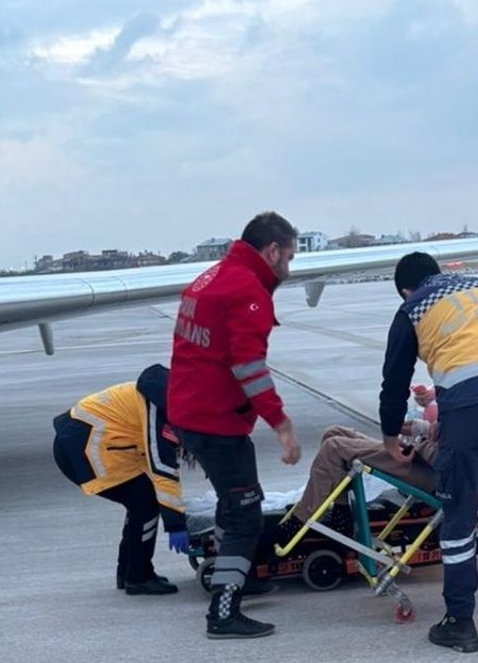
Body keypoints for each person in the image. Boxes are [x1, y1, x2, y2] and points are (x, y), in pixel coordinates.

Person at [379, 252, 478, 652]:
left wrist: (388, 438)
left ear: (405, 289)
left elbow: (394, 379)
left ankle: (460, 621)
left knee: (459, 516)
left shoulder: (412, 306)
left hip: (472, 408)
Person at [168, 211, 303, 640]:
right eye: (290, 258)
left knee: (233, 503)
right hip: (215, 422)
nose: (289, 267)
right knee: (245, 513)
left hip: (190, 412)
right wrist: (280, 423)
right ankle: (223, 612)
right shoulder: (248, 290)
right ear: (273, 251)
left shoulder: (212, 277)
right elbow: (249, 367)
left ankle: (238, 576)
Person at [52, 364, 187, 596]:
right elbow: (162, 466)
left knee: (141, 502)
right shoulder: (159, 407)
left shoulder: (161, 393)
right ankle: (139, 576)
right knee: (145, 503)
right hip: (86, 449)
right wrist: (176, 523)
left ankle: (128, 572)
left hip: (84, 443)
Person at [282, 393, 440, 535]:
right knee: (333, 432)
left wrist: (423, 433)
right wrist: (420, 428)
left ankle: (300, 520)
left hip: (428, 468)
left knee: (334, 447)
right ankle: (341, 511)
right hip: (421, 453)